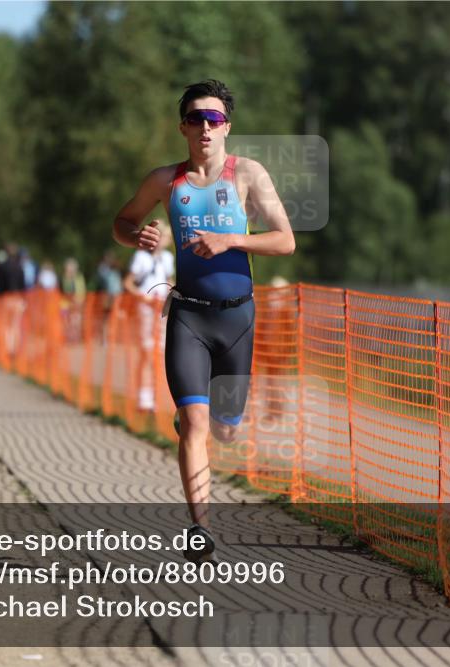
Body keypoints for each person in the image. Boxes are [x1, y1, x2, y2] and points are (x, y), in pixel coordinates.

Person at [112, 79, 295, 561]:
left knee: (226, 430)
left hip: (238, 320)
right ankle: (201, 530)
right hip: (189, 316)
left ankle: (207, 420)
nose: (205, 128)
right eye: (196, 119)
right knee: (195, 425)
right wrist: (139, 237)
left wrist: (231, 241)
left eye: (214, 119)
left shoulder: (248, 175)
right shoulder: (164, 181)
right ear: (183, 128)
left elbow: (285, 240)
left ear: (227, 127)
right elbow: (122, 222)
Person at [123, 224, 175, 412]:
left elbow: (169, 281)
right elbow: (128, 283)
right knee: (146, 351)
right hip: (146, 309)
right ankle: (143, 396)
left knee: (160, 352)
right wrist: (143, 297)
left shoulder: (167, 259)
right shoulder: (141, 257)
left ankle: (156, 395)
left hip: (161, 310)